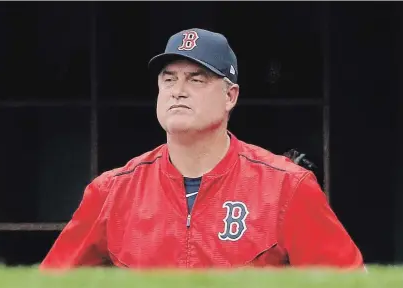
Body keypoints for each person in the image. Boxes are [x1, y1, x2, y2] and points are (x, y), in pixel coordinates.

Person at [40, 28, 364, 270]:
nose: (178, 91)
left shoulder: (287, 187)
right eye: (169, 79)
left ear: (230, 96)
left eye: (196, 80)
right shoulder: (111, 192)